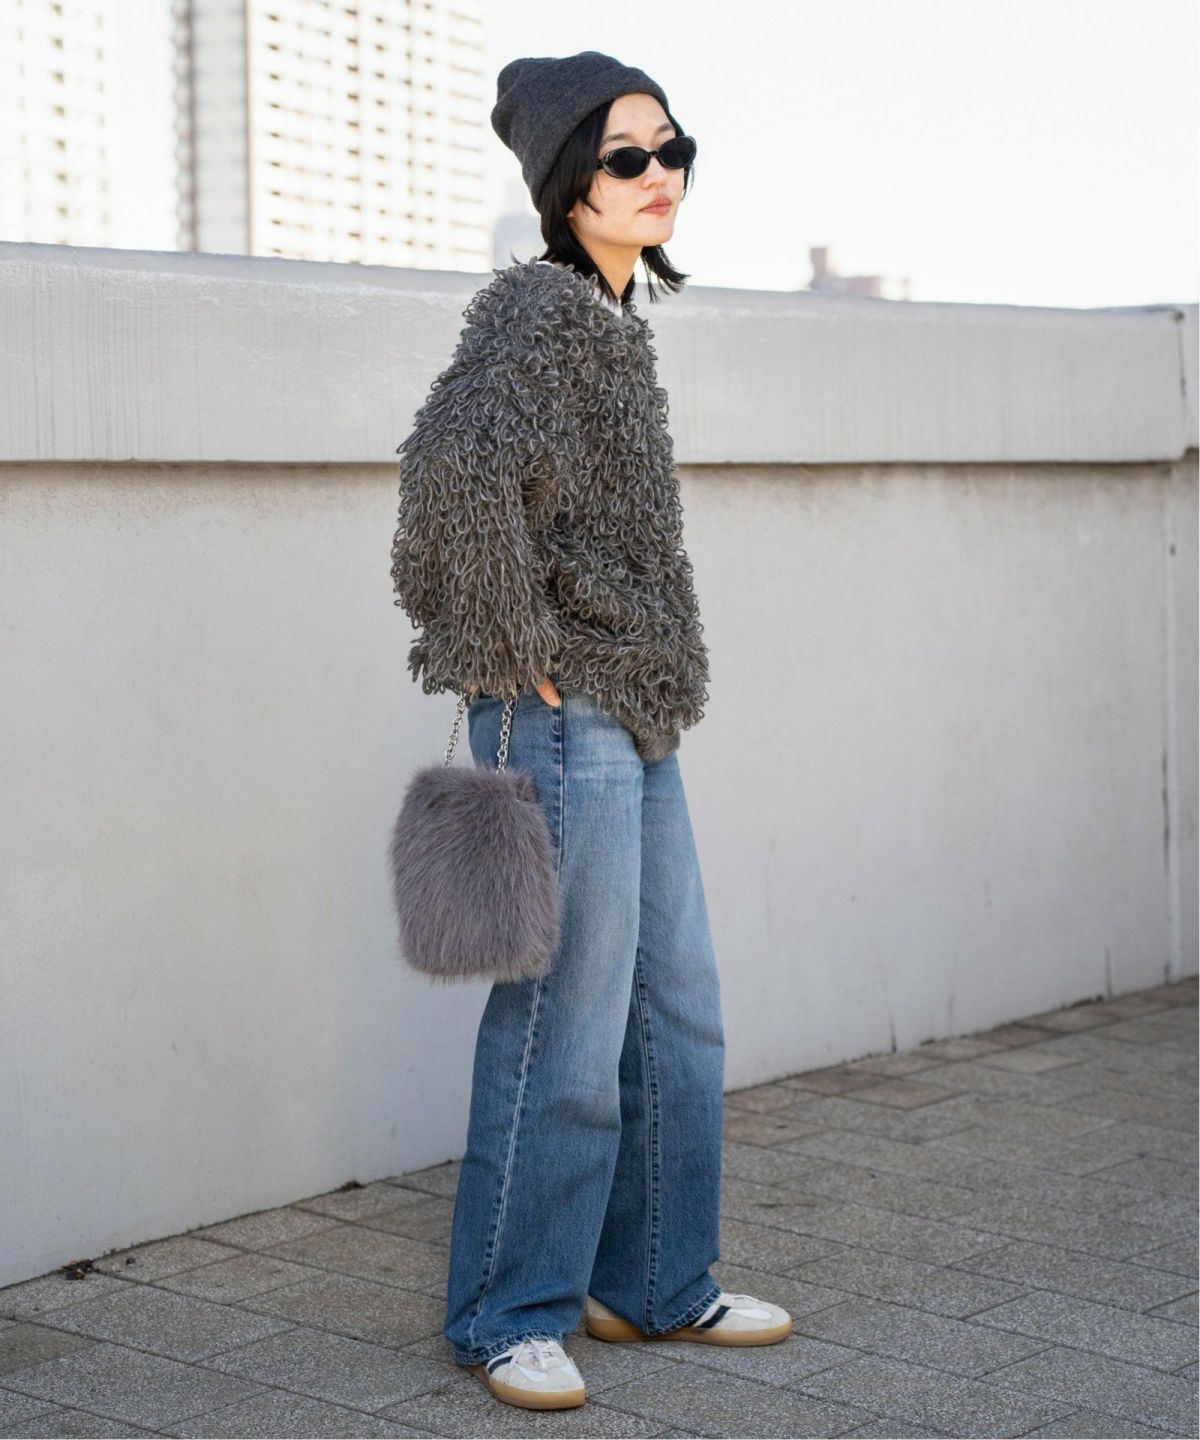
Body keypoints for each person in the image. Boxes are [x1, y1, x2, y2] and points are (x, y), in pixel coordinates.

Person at [389, 51, 792, 1412]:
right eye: (628, 157)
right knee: (563, 1024)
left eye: (674, 148)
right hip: (568, 713)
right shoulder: (542, 313)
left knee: (676, 1011)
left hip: (639, 704)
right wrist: (514, 654)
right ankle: (510, 1313)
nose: (659, 173)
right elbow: (450, 477)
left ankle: (654, 1283)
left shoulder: (612, 320)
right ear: (571, 183)